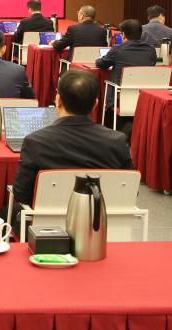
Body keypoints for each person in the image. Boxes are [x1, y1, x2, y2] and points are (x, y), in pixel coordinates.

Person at [9, 69, 133, 228]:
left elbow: (22, 194)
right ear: (95, 104)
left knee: (5, 213)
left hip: (46, 230)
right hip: (102, 228)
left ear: (58, 100)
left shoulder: (36, 141)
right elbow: (130, 190)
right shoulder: (117, 141)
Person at [94, 19, 158, 89]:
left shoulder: (117, 49)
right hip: (144, 90)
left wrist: (98, 60)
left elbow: (101, 64)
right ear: (141, 34)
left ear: (123, 34)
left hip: (120, 90)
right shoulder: (151, 50)